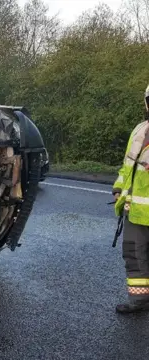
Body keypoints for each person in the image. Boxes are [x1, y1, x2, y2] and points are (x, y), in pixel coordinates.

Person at [112, 84, 149, 313]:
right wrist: (118, 187)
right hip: (135, 211)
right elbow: (128, 166)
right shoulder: (139, 130)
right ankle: (140, 301)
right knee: (135, 256)